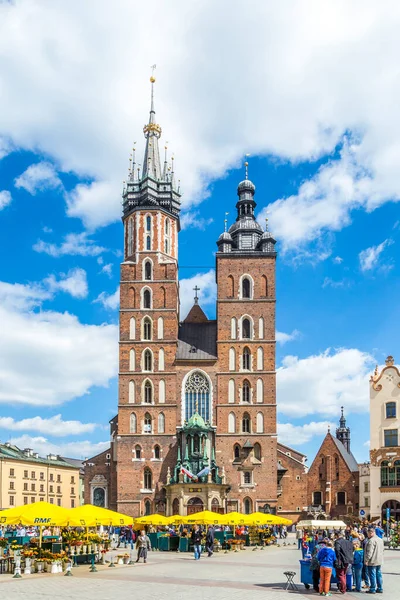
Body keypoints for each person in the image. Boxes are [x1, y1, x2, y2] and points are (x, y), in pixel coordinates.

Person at [365, 527, 384, 594]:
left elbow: (370, 552)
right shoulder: (380, 539)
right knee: (378, 574)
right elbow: (383, 550)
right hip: (379, 560)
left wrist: (367, 560)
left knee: (372, 574)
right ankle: (380, 588)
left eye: (368, 533)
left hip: (372, 561)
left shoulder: (371, 540)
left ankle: (372, 588)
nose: (367, 535)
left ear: (371, 533)